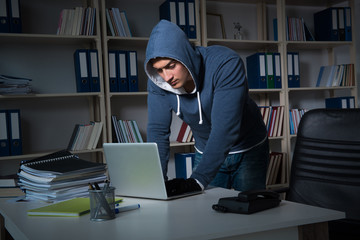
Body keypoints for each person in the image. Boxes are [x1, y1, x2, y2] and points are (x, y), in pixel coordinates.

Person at [144, 20, 269, 196]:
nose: (167, 77)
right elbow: (157, 130)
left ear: (185, 55)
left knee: (251, 211)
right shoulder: (158, 82)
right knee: (207, 215)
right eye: (159, 70)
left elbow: (225, 129)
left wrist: (198, 179)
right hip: (206, 149)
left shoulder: (225, 63)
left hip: (248, 147)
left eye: (171, 66)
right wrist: (155, 181)